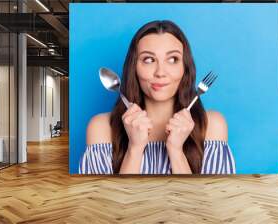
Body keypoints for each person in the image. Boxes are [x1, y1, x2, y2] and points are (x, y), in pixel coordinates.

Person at [79, 20, 235, 175]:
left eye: (173, 59)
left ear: (185, 69)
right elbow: (106, 200)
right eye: (149, 59)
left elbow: (209, 200)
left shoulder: (212, 125)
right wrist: (134, 148)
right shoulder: (101, 127)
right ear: (134, 68)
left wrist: (176, 151)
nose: (160, 72)